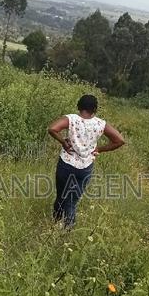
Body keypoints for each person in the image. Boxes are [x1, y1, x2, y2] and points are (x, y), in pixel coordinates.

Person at [48, 94, 125, 228]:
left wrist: (64, 143)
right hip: (85, 168)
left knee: (61, 195)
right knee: (72, 201)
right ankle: (67, 230)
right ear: (95, 109)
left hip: (66, 164)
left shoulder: (71, 119)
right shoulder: (101, 124)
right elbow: (120, 140)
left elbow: (52, 129)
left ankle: (55, 223)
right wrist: (100, 149)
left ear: (79, 106)